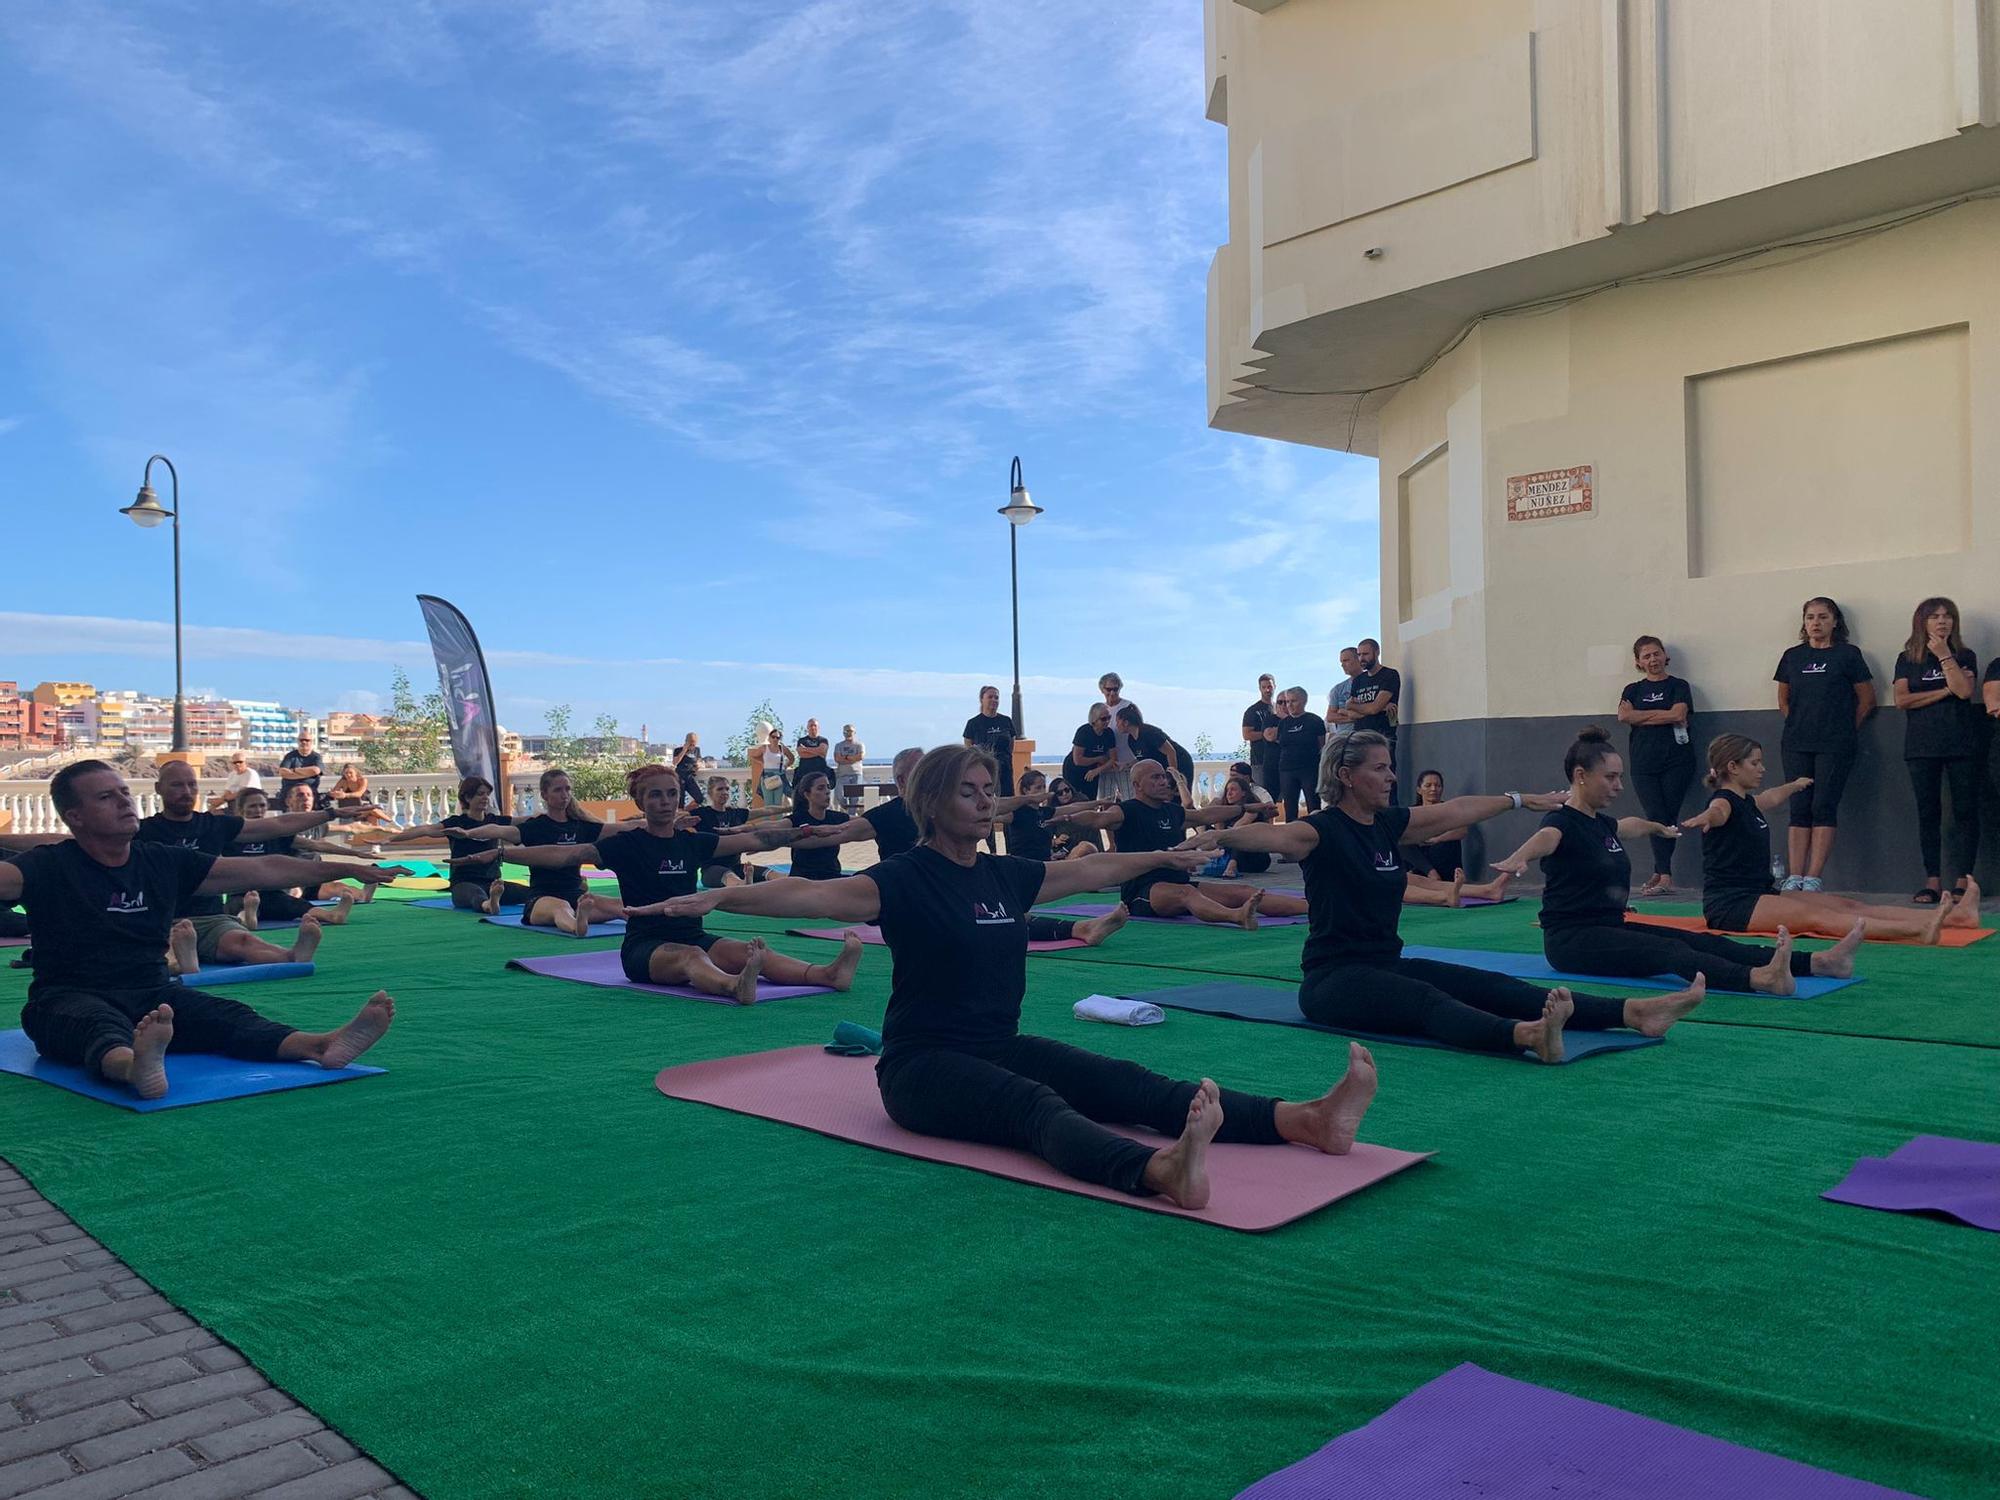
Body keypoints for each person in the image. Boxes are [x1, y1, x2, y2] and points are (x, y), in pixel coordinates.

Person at [636, 745, 1384, 1209]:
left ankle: (1305, 1120)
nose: (986, 799)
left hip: (997, 1044)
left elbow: (1086, 867)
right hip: (922, 1070)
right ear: (931, 802)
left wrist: (1161, 858)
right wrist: (722, 894)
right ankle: (1157, 1173)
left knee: (1127, 1083)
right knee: (1035, 1106)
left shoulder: (1003, 874)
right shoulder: (904, 878)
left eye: (989, 788)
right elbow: (810, 894)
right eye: (970, 790)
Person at [1194, 732, 1702, 1061]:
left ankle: (1633, 1013)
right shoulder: (1322, 831)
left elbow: (1454, 811)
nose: (1392, 777)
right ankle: (1523, 1036)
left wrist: (1520, 800)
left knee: (1487, 983)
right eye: (1380, 768)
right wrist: (1221, 838)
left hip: (1386, 964)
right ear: (1347, 776)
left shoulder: (1387, 824)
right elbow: (1277, 836)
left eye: (1391, 767)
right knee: (1427, 1000)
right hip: (1333, 981)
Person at [1, 761, 399, 1100]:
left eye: (124, 792)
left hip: (153, 993)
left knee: (227, 1016)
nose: (124, 801)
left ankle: (321, 1045)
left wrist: (347, 868)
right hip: (68, 996)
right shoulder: (49, 866)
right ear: (75, 816)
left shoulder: (161, 861)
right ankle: (134, 1067)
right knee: (93, 1025)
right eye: (106, 797)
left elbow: (265, 868)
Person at [1493, 728, 1859, 995]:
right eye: (1611, 777)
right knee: (1670, 952)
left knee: (1699, 941)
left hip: (1610, 926)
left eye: (1620, 776)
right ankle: (1758, 979)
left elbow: (1627, 826)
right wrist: (1517, 857)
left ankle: (1819, 963)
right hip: (1572, 943)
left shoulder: (1599, 823)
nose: (1619, 785)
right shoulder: (1560, 822)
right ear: (1580, 776)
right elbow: (1544, 840)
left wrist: (1657, 826)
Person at [505, 765, 858, 1003]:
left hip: (693, 934)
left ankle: (827, 975)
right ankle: (733, 985)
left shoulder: (691, 841)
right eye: (656, 795)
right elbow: (563, 854)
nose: (665, 802)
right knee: (693, 957)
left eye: (671, 794)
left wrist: (808, 831)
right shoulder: (625, 845)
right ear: (641, 802)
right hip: (645, 947)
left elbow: (755, 840)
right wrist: (503, 854)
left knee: (749, 953)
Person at [1685, 733, 1975, 942]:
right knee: (1819, 919)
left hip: (1761, 893)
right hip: (1731, 905)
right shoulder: (1723, 802)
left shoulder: (1748, 802)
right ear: (1732, 767)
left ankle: (1957, 917)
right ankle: (1918, 931)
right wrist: (1704, 818)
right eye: (1754, 763)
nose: (1762, 769)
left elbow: (1770, 798)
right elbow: (1717, 812)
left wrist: (1795, 785)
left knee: (1850, 905)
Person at [137, 759, 369, 971]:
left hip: (210, 918)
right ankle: (179, 960)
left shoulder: (213, 825)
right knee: (161, 947)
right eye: (177, 785)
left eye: (191, 785)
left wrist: (330, 813)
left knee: (243, 941)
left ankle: (292, 955)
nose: (186, 792)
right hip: (162, 919)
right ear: (159, 789)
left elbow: (278, 824)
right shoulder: (142, 831)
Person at [1047, 759, 1310, 928]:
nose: (1163, 781)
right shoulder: (1126, 811)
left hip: (1179, 882)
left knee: (1243, 891)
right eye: (1155, 778)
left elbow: (1208, 815)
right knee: (1188, 894)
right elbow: (1097, 819)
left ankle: (1316, 908)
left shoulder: (1172, 811)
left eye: (1163, 777)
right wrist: (1066, 815)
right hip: (1144, 891)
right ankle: (1235, 916)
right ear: (1137, 785)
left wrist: (1251, 806)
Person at [447, 768, 626, 937]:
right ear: (544, 795)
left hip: (575, 897)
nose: (564, 795)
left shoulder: (581, 826)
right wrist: (468, 833)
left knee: (622, 906)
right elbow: (497, 830)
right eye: (558, 790)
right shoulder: (535, 827)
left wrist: (650, 824)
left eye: (568, 789)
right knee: (561, 907)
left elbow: (623, 828)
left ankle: (586, 915)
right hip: (541, 900)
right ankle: (576, 926)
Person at [1772, 597, 1874, 890]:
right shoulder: (1792, 656)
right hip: (1796, 742)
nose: (1816, 623)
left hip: (1836, 743)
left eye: (1822, 617)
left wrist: (1842, 729)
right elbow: (1783, 699)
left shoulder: (1849, 655)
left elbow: (1866, 700)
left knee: (1823, 805)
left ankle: (1813, 877)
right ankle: (1794, 876)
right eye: (1810, 618)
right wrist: (1802, 724)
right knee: (1799, 806)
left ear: (1835, 622)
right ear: (1804, 623)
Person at [1893, 598, 1979, 905]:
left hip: (1960, 743)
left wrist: (1944, 656)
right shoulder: (1907, 658)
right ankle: (1931, 880)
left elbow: (1966, 691)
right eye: (1935, 617)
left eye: (1947, 617)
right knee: (1928, 812)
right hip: (1921, 745)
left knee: (1964, 811)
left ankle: (1962, 880)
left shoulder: (1964, 655)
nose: (1942, 622)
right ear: (1923, 622)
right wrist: (1945, 690)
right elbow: (1902, 700)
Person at [375, 777, 530, 914]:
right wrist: (391, 839)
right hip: (463, 883)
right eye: (480, 794)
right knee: (477, 895)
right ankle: (489, 905)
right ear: (467, 798)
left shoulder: (495, 821)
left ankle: (495, 897)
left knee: (530, 893)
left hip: (493, 881)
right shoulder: (456, 823)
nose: (485, 798)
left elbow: (525, 821)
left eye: (486, 794)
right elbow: (424, 829)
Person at [1617, 636, 1696, 897]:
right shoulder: (1632, 690)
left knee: (1667, 816)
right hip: (1643, 763)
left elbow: (1678, 715)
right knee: (1655, 815)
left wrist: (1642, 717)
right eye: (1647, 656)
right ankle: (1662, 871)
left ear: (1665, 656)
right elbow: (1624, 716)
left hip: (1677, 761)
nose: (1653, 660)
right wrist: (1662, 715)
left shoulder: (1679, 686)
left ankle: (1664, 874)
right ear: (1639, 662)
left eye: (1656, 654)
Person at [227, 787, 375, 926]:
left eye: (261, 806)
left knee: (293, 905)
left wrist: (355, 853)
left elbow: (316, 845)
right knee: (241, 905)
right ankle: (248, 917)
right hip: (241, 891)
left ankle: (333, 916)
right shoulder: (230, 833)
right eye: (252, 806)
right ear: (240, 809)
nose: (258, 810)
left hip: (271, 892)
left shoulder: (274, 832)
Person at [1337, 640, 1401, 799]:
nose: (1361, 658)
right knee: (1361, 781)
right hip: (1360, 739)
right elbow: (1351, 713)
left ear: (1376, 652)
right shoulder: (1359, 680)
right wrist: (1375, 708)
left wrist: (1365, 707)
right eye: (1359, 654)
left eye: (1365, 654)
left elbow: (1371, 708)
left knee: (1387, 780)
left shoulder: (1389, 675)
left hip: (1383, 739)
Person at [1274, 687, 1327, 821]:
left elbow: (1321, 745)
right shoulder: (1284, 723)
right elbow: (1280, 743)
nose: (1289, 705)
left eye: (1293, 701)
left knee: (1313, 804)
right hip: (1287, 770)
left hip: (1309, 769)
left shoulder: (1315, 721)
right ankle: (1291, 836)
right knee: (1290, 807)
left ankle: (1317, 832)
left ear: (1303, 701)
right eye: (1287, 702)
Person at [788, 770, 852, 881]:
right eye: (821, 788)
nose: (827, 792)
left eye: (828, 787)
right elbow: (773, 827)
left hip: (831, 877)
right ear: (807, 795)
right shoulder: (796, 819)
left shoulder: (836, 818)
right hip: (802, 880)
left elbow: (866, 822)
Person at [962, 687, 1017, 798]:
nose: (994, 700)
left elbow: (1011, 745)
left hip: (1005, 771)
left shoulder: (1006, 721)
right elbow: (969, 748)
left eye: (996, 697)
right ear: (982, 699)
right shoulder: (973, 723)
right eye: (990, 697)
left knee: (1007, 801)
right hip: (985, 771)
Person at [1063, 705, 1118, 800]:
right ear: (1094, 720)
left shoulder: (1109, 733)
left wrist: (1097, 770)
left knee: (1090, 799)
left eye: (1109, 718)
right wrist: (1099, 759)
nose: (1107, 721)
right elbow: (1078, 760)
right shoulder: (1084, 732)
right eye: (1103, 719)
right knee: (1073, 799)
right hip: (1073, 770)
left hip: (1092, 771)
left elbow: (1112, 758)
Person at [1097, 672, 1135, 801]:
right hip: (1106, 764)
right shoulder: (1099, 710)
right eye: (1109, 689)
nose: (1112, 693)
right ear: (1102, 689)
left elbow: (1138, 732)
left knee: (1130, 799)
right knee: (1105, 801)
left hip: (1125, 762)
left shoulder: (1128, 706)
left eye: (1115, 689)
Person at [1242, 675, 1281, 799]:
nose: (1267, 690)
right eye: (1264, 687)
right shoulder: (1253, 711)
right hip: (1259, 761)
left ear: (1274, 686)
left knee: (1279, 798)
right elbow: (1247, 734)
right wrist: (1266, 734)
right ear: (1260, 688)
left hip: (1279, 760)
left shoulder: (1280, 709)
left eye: (1269, 686)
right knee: (1263, 798)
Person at [749, 725, 793, 812]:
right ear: (769, 737)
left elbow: (791, 758)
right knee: (768, 803)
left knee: (778, 803)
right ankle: (768, 823)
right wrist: (762, 762)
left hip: (779, 776)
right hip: (767, 776)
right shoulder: (764, 748)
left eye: (778, 737)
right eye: (773, 737)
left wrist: (785, 765)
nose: (775, 739)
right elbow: (753, 756)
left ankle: (777, 822)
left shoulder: (782, 748)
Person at [278, 731, 325, 809]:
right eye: (301, 740)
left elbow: (316, 771)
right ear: (298, 741)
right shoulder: (290, 756)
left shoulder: (316, 757)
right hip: (290, 797)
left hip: (309, 797)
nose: (304, 742)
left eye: (307, 740)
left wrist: (294, 771)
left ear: (311, 742)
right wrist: (307, 774)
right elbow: (282, 772)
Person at [1327, 648, 1361, 741]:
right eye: (1341, 662)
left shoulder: (1372, 683)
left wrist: (1343, 712)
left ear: (1358, 659)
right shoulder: (1338, 689)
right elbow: (1330, 716)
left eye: (1346, 660)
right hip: (1344, 740)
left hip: (1365, 738)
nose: (1342, 665)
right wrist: (1354, 716)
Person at [794, 720, 832, 792]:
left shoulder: (823, 740)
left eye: (815, 725)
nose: (813, 727)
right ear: (807, 727)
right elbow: (802, 754)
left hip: (820, 773)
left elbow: (823, 752)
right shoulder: (802, 740)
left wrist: (805, 749)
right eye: (811, 725)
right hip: (804, 773)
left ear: (818, 727)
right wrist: (817, 752)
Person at [834, 725, 866, 809]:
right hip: (842, 775)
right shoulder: (839, 745)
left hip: (856, 773)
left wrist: (845, 757)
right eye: (846, 731)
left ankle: (851, 815)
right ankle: (845, 807)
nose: (848, 733)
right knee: (839, 794)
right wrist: (852, 758)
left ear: (854, 732)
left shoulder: (859, 744)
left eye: (850, 731)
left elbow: (860, 757)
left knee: (855, 797)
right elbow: (837, 758)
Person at [673, 734, 703, 803]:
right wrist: (684, 750)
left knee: (699, 799)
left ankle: (687, 811)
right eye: (690, 744)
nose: (692, 747)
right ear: (686, 742)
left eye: (694, 745)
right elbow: (675, 762)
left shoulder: (697, 750)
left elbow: (699, 760)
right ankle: (682, 812)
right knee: (680, 801)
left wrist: (698, 765)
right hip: (680, 777)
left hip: (690, 777)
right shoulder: (678, 750)